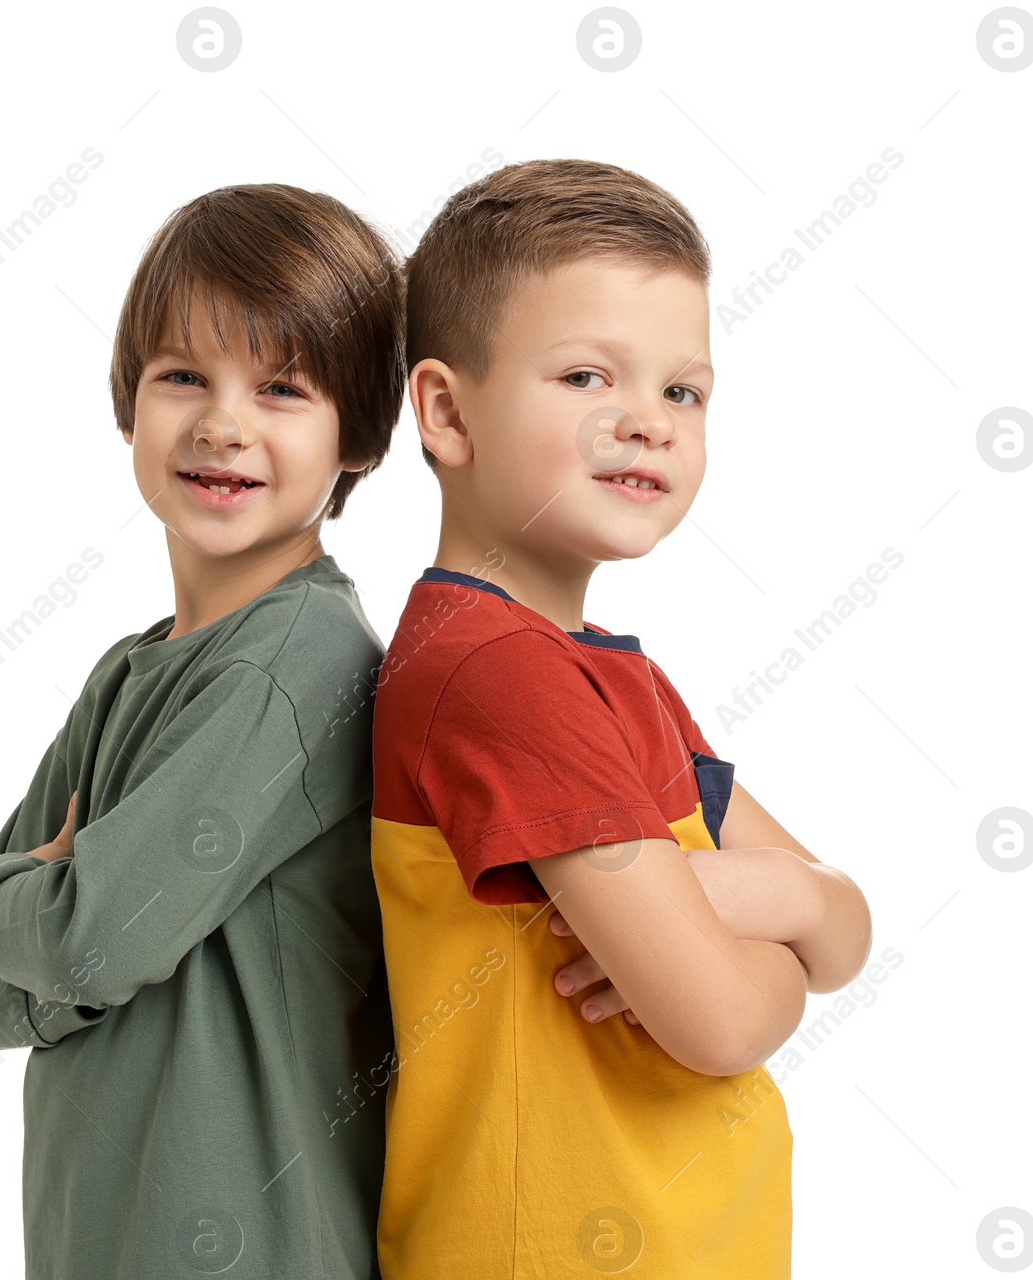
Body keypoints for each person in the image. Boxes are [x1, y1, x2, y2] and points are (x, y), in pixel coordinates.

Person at [370, 158, 873, 1278]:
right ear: (447, 411)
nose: (644, 422)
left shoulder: (611, 678)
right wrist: (760, 925)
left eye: (681, 391)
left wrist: (772, 897)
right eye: (588, 375)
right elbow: (725, 1023)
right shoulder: (495, 673)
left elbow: (843, 932)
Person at [0, 182, 405, 1279]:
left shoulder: (301, 659)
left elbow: (80, 939)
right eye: (182, 375)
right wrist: (43, 922)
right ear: (129, 401)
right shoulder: (126, 671)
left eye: (281, 387)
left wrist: (10, 899)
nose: (220, 423)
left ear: (362, 436)